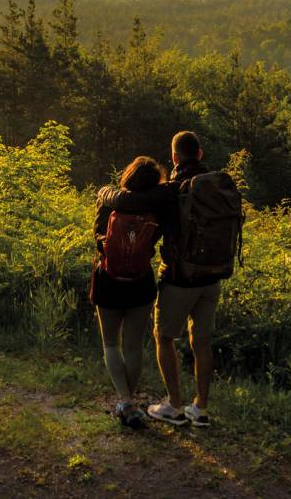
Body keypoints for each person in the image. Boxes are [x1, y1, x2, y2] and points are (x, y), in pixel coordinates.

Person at [100, 131, 229, 428]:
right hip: (214, 277)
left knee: (165, 338)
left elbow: (126, 199)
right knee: (203, 341)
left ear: (174, 158)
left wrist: (103, 193)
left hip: (180, 277)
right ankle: (201, 408)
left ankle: (174, 405)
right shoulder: (217, 184)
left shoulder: (173, 189)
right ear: (199, 153)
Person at [90, 156, 165, 428]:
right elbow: (155, 241)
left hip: (108, 280)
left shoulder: (110, 202)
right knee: (133, 346)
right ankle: (130, 402)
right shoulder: (157, 208)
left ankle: (124, 401)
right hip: (140, 282)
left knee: (111, 344)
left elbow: (99, 238)